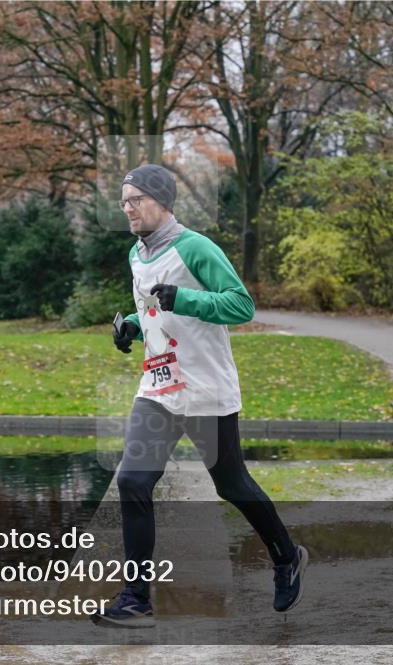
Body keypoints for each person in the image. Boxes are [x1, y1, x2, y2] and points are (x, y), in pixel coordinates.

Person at [91, 164, 307, 628]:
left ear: (161, 201)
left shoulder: (196, 247)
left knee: (231, 486)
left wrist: (184, 300)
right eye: (124, 201)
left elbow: (240, 304)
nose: (127, 208)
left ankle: (287, 556)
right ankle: (136, 600)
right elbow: (153, 304)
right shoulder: (137, 253)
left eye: (135, 199)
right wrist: (133, 323)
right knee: (132, 482)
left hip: (205, 388)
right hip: (158, 387)